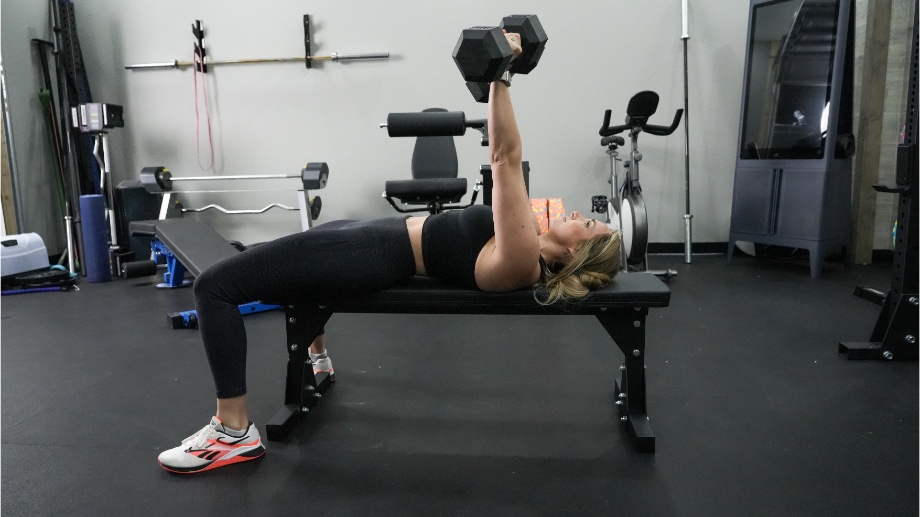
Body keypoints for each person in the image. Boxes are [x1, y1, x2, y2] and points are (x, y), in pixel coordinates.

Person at [157, 32, 622, 474]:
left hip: (374, 252)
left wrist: (502, 74)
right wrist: (495, 76)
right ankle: (316, 358)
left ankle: (233, 430)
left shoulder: (523, 260)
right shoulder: (532, 241)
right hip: (373, 235)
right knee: (276, 263)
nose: (581, 213)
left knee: (214, 286)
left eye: (588, 225)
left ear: (573, 256)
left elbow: (504, 157)